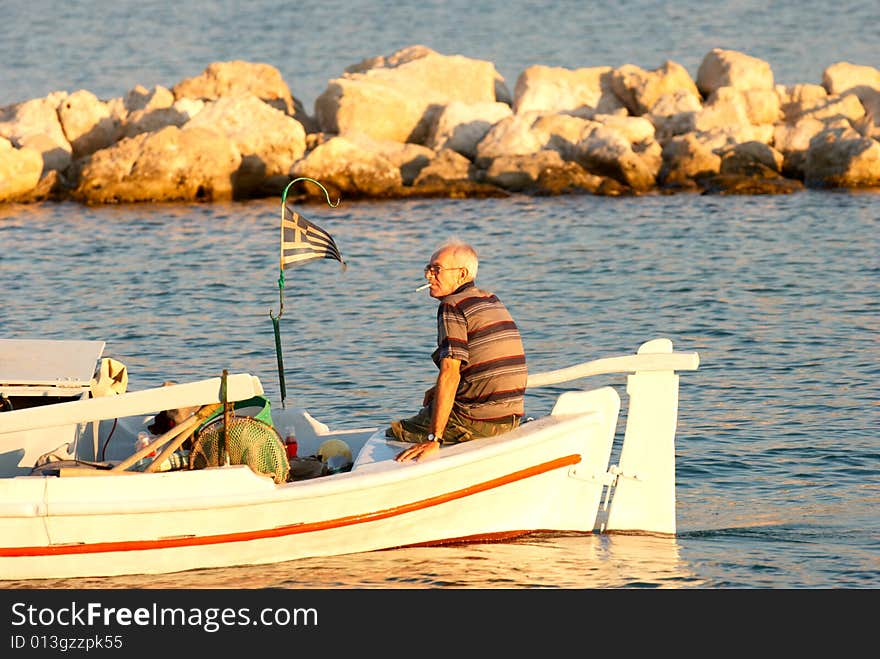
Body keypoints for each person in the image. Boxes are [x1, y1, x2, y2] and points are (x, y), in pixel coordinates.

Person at [388, 240, 527, 462]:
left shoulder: (451, 306)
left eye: (437, 269)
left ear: (462, 274)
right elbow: (484, 360)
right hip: (509, 416)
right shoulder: (489, 299)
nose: (428, 276)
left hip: (478, 421)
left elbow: (451, 372)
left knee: (396, 433)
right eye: (428, 269)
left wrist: (435, 439)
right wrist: (437, 389)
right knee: (434, 404)